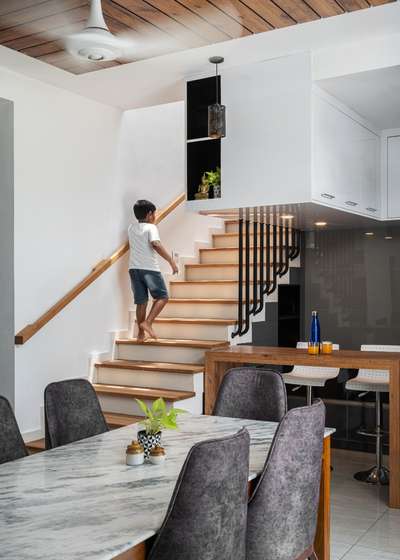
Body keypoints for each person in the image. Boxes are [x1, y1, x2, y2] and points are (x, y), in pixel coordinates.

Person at [128, 199, 178, 341]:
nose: (155, 216)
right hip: (149, 268)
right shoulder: (151, 228)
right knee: (162, 297)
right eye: (154, 213)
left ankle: (140, 334)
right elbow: (155, 244)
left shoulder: (131, 228)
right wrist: (171, 261)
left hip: (133, 269)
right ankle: (147, 323)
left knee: (141, 302)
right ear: (150, 214)